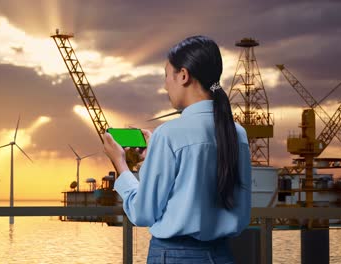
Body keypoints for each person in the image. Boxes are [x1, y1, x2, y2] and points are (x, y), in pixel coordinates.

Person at [103, 35, 251, 264]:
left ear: (183, 75)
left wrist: (120, 165)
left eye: (166, 75)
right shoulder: (238, 134)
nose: (165, 85)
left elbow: (142, 213)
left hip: (173, 256)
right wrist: (153, 155)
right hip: (222, 255)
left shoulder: (169, 134)